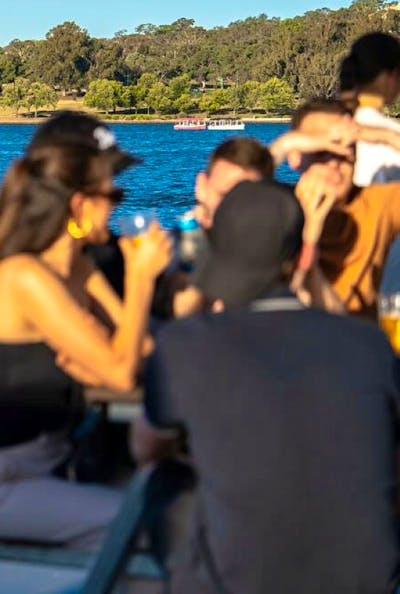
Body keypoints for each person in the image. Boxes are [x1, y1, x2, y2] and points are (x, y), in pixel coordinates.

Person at [136, 181, 400, 594]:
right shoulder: (368, 344)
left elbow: (147, 447)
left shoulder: (187, 345)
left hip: (240, 582)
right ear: (300, 257)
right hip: (366, 579)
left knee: (167, 479)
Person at [0, 110, 172, 549]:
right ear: (79, 203)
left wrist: (101, 358)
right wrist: (139, 279)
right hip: (13, 474)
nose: (119, 203)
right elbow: (119, 372)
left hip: (57, 457)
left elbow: (141, 349)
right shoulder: (24, 275)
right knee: (144, 526)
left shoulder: (77, 267)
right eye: (112, 194)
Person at [291, 98, 400, 318]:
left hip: (360, 344)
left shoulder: (376, 204)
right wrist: (282, 146)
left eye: (345, 150)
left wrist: (386, 136)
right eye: (321, 150)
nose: (334, 162)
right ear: (297, 156)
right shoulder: (276, 209)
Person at [339, 32, 400, 297]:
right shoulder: (389, 135)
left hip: (345, 270)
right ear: (390, 77)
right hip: (389, 277)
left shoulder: (331, 127)